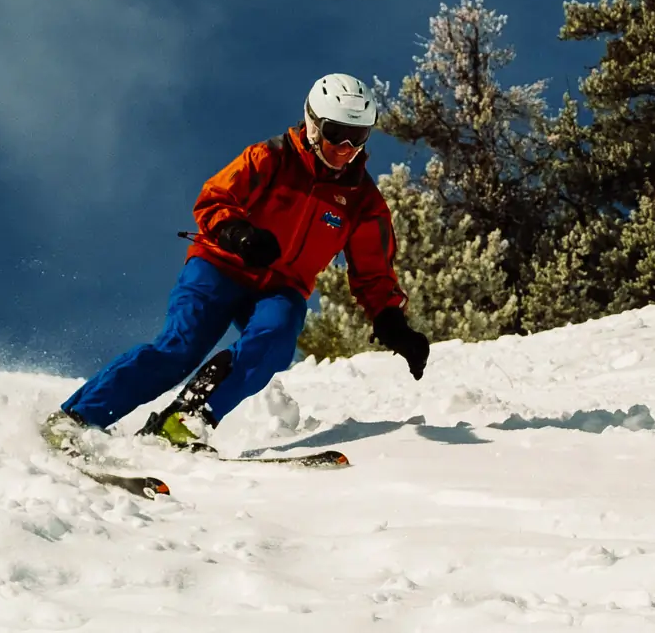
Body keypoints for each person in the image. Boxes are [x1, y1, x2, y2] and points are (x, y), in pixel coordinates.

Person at [51, 73, 431, 449]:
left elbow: (373, 271)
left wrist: (391, 320)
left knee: (275, 341)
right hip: (221, 265)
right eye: (335, 134)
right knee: (179, 349)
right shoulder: (271, 158)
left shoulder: (363, 201)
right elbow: (214, 198)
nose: (346, 149)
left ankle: (184, 420)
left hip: (281, 286)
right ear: (313, 125)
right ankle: (78, 418)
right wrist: (239, 234)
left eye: (358, 137)